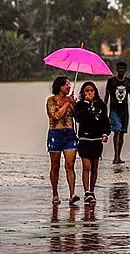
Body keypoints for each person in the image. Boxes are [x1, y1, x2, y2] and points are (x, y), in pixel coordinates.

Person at [74, 81, 110, 204]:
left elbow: (105, 121)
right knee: (86, 166)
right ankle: (87, 191)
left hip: (97, 139)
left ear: (95, 92)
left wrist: (105, 134)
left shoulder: (101, 105)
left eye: (91, 91)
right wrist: (87, 105)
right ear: (83, 93)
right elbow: (79, 118)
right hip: (84, 138)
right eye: (87, 91)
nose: (89, 93)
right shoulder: (80, 105)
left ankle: (92, 190)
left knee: (95, 167)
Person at [46, 76, 79, 205]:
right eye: (66, 84)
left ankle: (72, 193)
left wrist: (74, 105)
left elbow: (76, 117)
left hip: (69, 133)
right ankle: (55, 193)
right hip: (56, 133)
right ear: (60, 87)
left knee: (70, 165)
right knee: (55, 165)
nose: (69, 87)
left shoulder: (70, 101)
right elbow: (55, 115)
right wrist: (67, 103)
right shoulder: (51, 100)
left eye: (69, 84)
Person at [104, 61, 130, 164]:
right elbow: (107, 96)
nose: (121, 70)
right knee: (116, 131)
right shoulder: (111, 81)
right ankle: (116, 157)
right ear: (116, 69)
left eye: (123, 68)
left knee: (122, 133)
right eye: (119, 68)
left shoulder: (128, 82)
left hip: (124, 111)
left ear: (125, 70)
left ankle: (119, 156)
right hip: (114, 110)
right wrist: (103, 109)